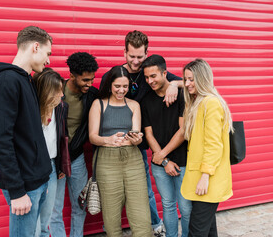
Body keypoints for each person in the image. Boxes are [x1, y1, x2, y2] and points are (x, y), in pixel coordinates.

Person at [99, 30, 183, 236]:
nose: (136, 62)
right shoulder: (114, 74)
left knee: (144, 189)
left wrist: (174, 84)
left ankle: (155, 226)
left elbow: (191, 81)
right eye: (131, 56)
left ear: (147, 53)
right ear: (124, 52)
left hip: (142, 139)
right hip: (113, 142)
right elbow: (99, 103)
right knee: (113, 191)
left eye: (140, 56)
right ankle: (113, 228)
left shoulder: (151, 70)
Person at [0, 26, 53, 237]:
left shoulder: (25, 80)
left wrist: (43, 177)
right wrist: (17, 190)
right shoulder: (7, 81)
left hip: (37, 180)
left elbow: (31, 134)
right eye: (48, 53)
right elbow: (0, 138)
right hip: (24, 187)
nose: (48, 61)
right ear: (35, 46)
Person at [89, 66, 152, 237]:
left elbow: (136, 132)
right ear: (110, 84)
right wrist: (108, 140)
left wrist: (137, 139)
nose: (121, 90)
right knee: (111, 214)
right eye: (117, 86)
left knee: (141, 213)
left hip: (133, 159)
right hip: (107, 161)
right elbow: (92, 137)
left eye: (125, 87)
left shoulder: (134, 105)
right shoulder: (98, 104)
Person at [180, 59, 233, 236]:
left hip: (207, 178)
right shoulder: (198, 102)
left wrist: (205, 176)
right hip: (201, 177)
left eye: (191, 79)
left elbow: (213, 145)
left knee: (196, 231)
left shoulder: (210, 103)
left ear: (202, 79)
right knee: (208, 229)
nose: (187, 84)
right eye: (185, 79)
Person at [141, 55, 192, 237]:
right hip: (161, 164)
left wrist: (162, 155)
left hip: (182, 162)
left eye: (153, 76)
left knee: (185, 208)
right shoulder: (146, 100)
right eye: (147, 77)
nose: (150, 81)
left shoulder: (181, 95)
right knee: (168, 205)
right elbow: (148, 134)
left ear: (165, 73)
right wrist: (164, 161)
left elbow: (183, 131)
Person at [50, 52, 99, 237]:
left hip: (77, 157)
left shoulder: (92, 95)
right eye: (85, 80)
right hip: (55, 159)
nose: (89, 84)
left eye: (92, 79)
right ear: (71, 75)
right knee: (54, 210)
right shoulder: (55, 90)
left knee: (81, 203)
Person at [33, 68, 67, 237]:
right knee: (34, 226)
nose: (62, 95)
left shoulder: (60, 108)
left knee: (45, 225)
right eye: (57, 91)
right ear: (46, 91)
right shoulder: (30, 111)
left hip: (52, 167)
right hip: (33, 169)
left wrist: (61, 165)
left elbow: (61, 137)